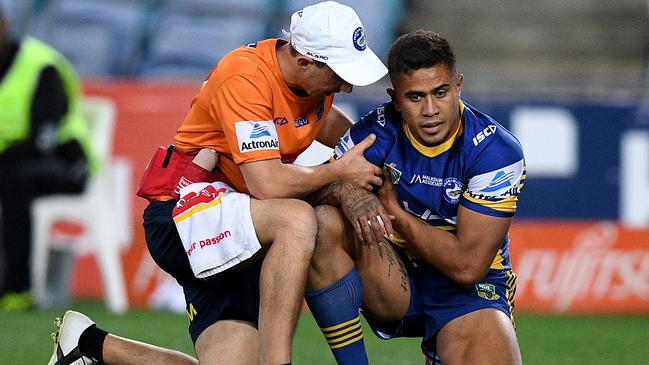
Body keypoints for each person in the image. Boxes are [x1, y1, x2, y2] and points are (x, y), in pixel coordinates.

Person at [48, 2, 389, 365]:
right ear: (305, 61)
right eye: (340, 74)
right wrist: (337, 173)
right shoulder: (246, 78)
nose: (348, 86)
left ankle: (88, 344)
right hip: (181, 216)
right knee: (297, 219)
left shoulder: (310, 86)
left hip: (238, 224)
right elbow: (268, 184)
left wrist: (394, 147)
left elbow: (336, 130)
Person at [303, 30, 525, 364]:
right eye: (416, 97)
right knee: (322, 222)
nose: (431, 109)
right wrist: (345, 190)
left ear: (458, 85)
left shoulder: (494, 151)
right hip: (395, 276)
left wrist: (395, 212)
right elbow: (311, 188)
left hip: (467, 290)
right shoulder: (375, 133)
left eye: (441, 92)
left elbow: (467, 267)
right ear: (395, 98)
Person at [0, 10, 96, 311]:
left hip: (66, 162)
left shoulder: (40, 65)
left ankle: (18, 288)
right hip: (13, 163)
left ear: (4, 26)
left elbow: (46, 137)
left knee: (12, 176)